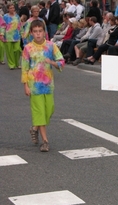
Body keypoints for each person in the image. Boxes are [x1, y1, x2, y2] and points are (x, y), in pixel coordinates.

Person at [21, 20, 64, 152]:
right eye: (35, 32)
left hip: (48, 85)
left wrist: (52, 62)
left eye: (40, 31)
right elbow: (24, 68)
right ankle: (45, 142)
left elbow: (61, 61)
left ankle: (35, 127)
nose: (38, 34)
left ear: (44, 32)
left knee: (49, 110)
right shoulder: (28, 48)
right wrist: (26, 86)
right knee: (39, 112)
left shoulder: (51, 46)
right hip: (34, 86)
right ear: (32, 33)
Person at [2, 3, 22, 70]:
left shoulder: (17, 16)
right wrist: (2, 34)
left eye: (13, 8)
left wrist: (22, 33)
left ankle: (17, 63)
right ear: (8, 9)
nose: (12, 9)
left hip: (16, 36)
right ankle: (11, 64)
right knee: (9, 51)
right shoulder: (5, 16)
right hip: (8, 36)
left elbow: (20, 25)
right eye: (10, 8)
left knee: (17, 50)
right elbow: (2, 26)